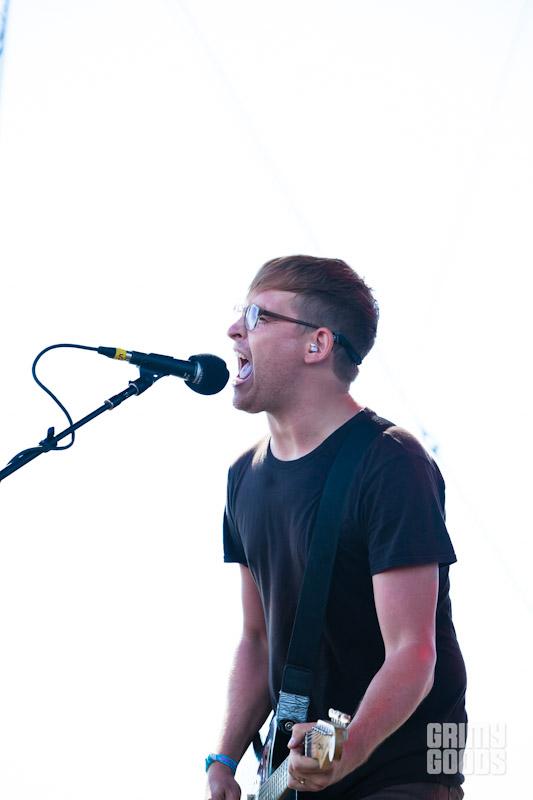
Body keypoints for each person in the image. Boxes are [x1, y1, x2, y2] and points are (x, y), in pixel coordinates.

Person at [205, 255, 467, 800]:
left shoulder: (391, 461)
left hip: (400, 775)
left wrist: (349, 748)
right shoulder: (242, 477)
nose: (233, 330)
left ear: (317, 344)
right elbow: (257, 637)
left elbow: (413, 653)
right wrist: (224, 758)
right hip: (296, 777)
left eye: (256, 316)